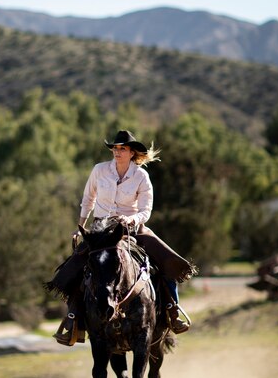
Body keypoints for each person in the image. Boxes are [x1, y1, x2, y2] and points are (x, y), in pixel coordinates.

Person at [47, 130, 196, 346]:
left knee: (166, 260)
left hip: (131, 228)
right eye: (115, 148)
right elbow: (88, 198)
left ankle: (173, 311)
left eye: (122, 148)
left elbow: (146, 210)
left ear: (132, 152)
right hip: (100, 228)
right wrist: (80, 226)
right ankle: (72, 320)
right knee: (75, 267)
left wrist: (132, 220)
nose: (117, 152)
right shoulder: (99, 170)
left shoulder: (141, 176)